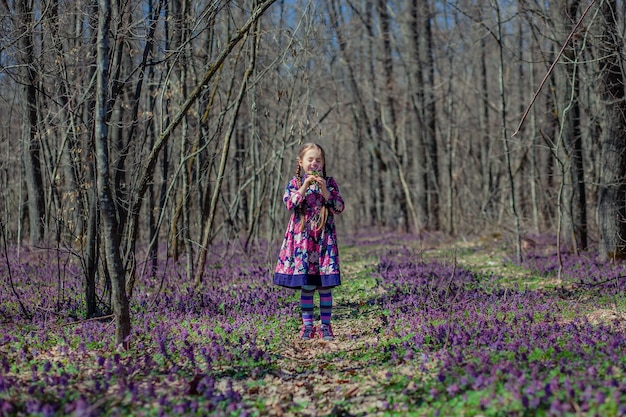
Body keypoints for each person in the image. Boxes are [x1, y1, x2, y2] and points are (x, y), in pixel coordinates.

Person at [274, 143, 345, 341]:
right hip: (302, 242)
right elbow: (290, 203)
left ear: (323, 163)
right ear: (301, 162)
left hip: (323, 241)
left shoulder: (329, 183)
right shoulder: (295, 183)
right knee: (307, 286)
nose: (314, 163)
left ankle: (325, 326)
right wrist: (305, 186)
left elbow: (339, 207)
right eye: (310, 159)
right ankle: (307, 327)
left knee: (324, 286)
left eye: (318, 160)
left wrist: (325, 192)